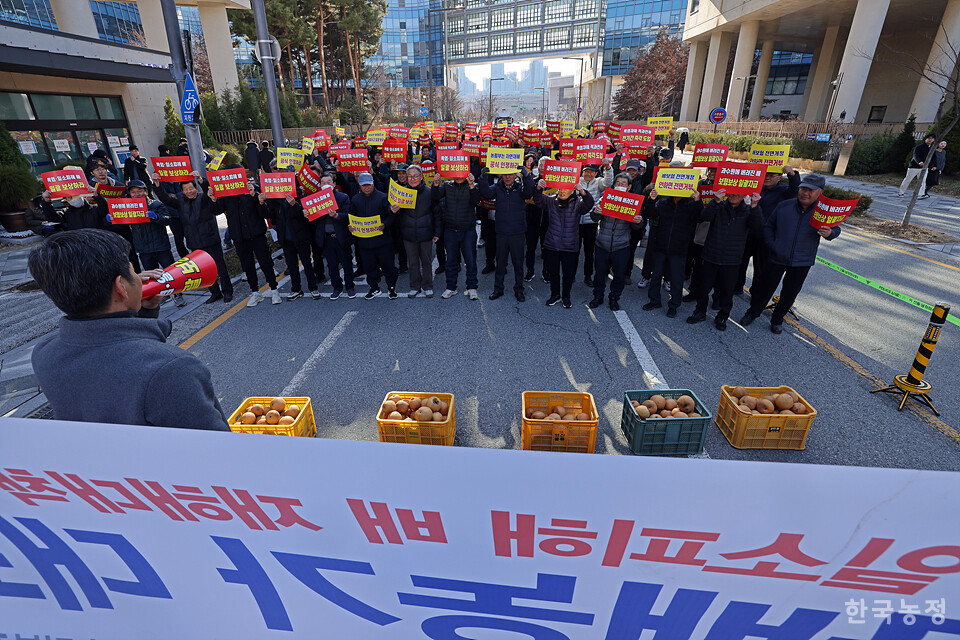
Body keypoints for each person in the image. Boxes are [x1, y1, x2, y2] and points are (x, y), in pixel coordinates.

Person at [28, 229, 229, 431]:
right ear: (121, 286)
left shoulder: (45, 352)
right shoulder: (172, 369)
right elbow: (215, 445)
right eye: (133, 271)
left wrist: (141, 309)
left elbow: (117, 349)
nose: (139, 279)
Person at [741, 174, 840, 334]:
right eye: (803, 189)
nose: (805, 193)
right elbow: (769, 226)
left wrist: (830, 233)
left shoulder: (823, 211)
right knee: (764, 288)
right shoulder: (784, 206)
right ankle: (752, 313)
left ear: (820, 192)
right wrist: (772, 245)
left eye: (810, 190)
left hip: (802, 260)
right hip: (777, 256)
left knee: (790, 293)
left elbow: (836, 229)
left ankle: (777, 320)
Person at [153, 170, 234, 303]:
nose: (189, 191)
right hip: (195, 243)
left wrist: (201, 180)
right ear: (182, 191)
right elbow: (165, 199)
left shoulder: (204, 198)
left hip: (210, 239)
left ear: (196, 188)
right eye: (186, 189)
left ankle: (227, 292)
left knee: (220, 267)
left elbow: (209, 191)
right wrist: (157, 184)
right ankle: (215, 293)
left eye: (191, 188)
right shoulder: (180, 201)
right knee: (204, 270)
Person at [686, 189, 761, 331]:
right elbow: (704, 216)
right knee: (703, 288)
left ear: (744, 195)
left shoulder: (748, 210)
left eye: (738, 193)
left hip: (732, 260)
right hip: (710, 255)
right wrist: (715, 201)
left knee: (727, 292)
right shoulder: (718, 206)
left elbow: (757, 227)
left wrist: (755, 206)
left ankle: (722, 316)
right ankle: (700, 311)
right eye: (731, 192)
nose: (734, 195)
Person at [214, 165, 280, 307]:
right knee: (248, 266)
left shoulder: (253, 188)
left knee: (266, 263)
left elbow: (265, 213)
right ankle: (255, 292)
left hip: (257, 235)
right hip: (239, 237)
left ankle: (274, 290)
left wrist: (256, 198)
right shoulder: (225, 193)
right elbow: (216, 210)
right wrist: (213, 199)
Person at [112, 180, 184, 308]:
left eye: (140, 191)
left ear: (146, 192)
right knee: (152, 275)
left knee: (170, 272)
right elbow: (123, 225)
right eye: (133, 192)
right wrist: (113, 219)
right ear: (129, 194)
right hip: (144, 249)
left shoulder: (156, 204)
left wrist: (156, 217)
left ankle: (178, 295)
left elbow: (167, 219)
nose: (137, 194)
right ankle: (162, 295)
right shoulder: (128, 207)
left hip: (161, 246)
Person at [736, 165, 799, 294]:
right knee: (740, 262)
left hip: (766, 237)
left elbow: (795, 190)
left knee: (761, 267)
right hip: (748, 233)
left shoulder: (783, 191)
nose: (767, 178)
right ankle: (736, 287)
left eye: (771, 175)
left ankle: (756, 293)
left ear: (780, 178)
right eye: (765, 175)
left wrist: (792, 174)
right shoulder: (755, 188)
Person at [641, 185, 703, 317]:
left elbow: (699, 218)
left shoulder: (690, 204)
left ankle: (674, 305)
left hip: (679, 249)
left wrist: (698, 201)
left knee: (676, 278)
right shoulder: (663, 202)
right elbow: (649, 214)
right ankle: (654, 300)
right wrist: (651, 199)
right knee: (656, 275)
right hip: (660, 246)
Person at [477, 165, 536, 302]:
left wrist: (527, 176)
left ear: (515, 175)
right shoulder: (497, 187)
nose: (507, 177)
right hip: (502, 232)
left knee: (518, 264)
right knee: (501, 263)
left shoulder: (520, 187)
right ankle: (498, 289)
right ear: (501, 175)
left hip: (517, 232)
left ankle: (519, 289)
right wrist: (483, 178)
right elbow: (486, 193)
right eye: (505, 174)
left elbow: (529, 192)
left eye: (510, 174)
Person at [534, 178, 595, 308]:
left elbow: (589, 204)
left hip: (570, 245)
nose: (562, 191)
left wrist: (583, 192)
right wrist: (538, 188)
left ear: (572, 191)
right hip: (552, 244)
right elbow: (538, 200)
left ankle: (566, 297)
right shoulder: (551, 201)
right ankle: (555, 295)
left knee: (568, 274)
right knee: (553, 272)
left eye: (565, 189)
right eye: (560, 188)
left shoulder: (578, 203)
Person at [259, 169, 317, 300]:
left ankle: (313, 288)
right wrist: (262, 203)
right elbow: (267, 215)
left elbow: (306, 216)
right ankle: (296, 289)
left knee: (307, 264)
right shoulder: (274, 200)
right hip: (286, 239)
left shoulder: (300, 197)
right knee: (292, 266)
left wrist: (294, 205)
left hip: (301, 237)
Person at [588, 172, 643, 311]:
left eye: (623, 183)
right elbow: (594, 218)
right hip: (602, 243)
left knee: (619, 276)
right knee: (599, 274)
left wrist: (638, 221)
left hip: (621, 246)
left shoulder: (633, 202)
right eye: (618, 183)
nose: (620, 185)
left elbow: (637, 226)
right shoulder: (605, 198)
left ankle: (614, 297)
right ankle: (598, 296)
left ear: (629, 187)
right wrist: (596, 212)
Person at [434, 170, 481, 300]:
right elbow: (435, 197)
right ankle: (451, 287)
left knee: (470, 260)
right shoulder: (446, 185)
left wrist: (471, 185)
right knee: (451, 261)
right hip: (450, 230)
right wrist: (436, 183)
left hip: (468, 230)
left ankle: (472, 287)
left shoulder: (473, 185)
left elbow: (476, 201)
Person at [351, 172, 397, 299]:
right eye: (363, 185)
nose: (366, 188)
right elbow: (352, 217)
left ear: (373, 184)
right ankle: (374, 288)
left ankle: (391, 288)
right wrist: (351, 226)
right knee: (369, 266)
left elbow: (391, 216)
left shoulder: (382, 197)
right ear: (359, 186)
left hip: (383, 240)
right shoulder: (355, 199)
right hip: (365, 241)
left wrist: (384, 224)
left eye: (369, 185)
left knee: (388, 266)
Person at [392, 165, 436, 298]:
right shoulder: (401, 192)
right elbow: (394, 215)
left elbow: (437, 213)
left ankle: (427, 286)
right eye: (410, 176)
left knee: (426, 262)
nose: (412, 179)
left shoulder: (429, 192)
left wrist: (437, 233)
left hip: (425, 232)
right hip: (408, 233)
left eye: (415, 176)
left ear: (421, 177)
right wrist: (392, 210)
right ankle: (414, 286)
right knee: (412, 262)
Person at [314, 172, 356, 299]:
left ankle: (350, 286)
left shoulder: (343, 197)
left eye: (328, 182)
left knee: (346, 263)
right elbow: (313, 221)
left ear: (334, 184)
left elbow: (348, 215)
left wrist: (337, 215)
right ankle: (337, 288)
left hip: (341, 237)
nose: (326, 184)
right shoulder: (315, 199)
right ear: (319, 185)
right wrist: (307, 214)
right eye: (323, 183)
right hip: (326, 238)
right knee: (332, 266)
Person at [578, 162, 613, 287]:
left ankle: (588, 276)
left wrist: (608, 168)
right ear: (583, 172)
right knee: (573, 251)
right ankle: (570, 274)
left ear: (596, 173)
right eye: (586, 171)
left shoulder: (598, 182)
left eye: (591, 172)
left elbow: (608, 182)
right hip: (576, 222)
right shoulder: (577, 181)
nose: (588, 174)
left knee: (589, 252)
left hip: (591, 223)